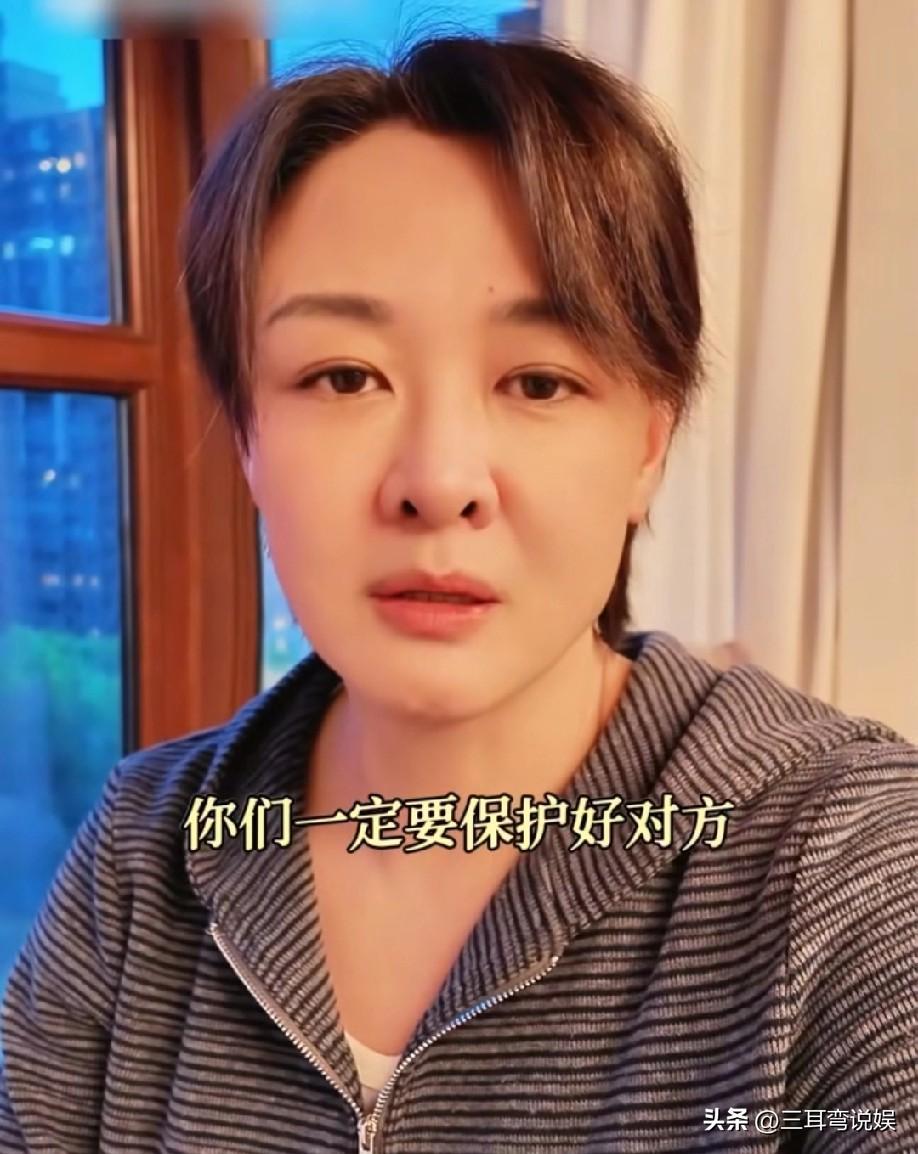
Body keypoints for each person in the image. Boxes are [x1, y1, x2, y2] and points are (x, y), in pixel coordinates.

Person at [1, 29, 916, 1154]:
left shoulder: (850, 864)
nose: (438, 481)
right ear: (247, 434)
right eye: (344, 375)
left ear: (647, 443)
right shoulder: (144, 856)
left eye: (539, 381)